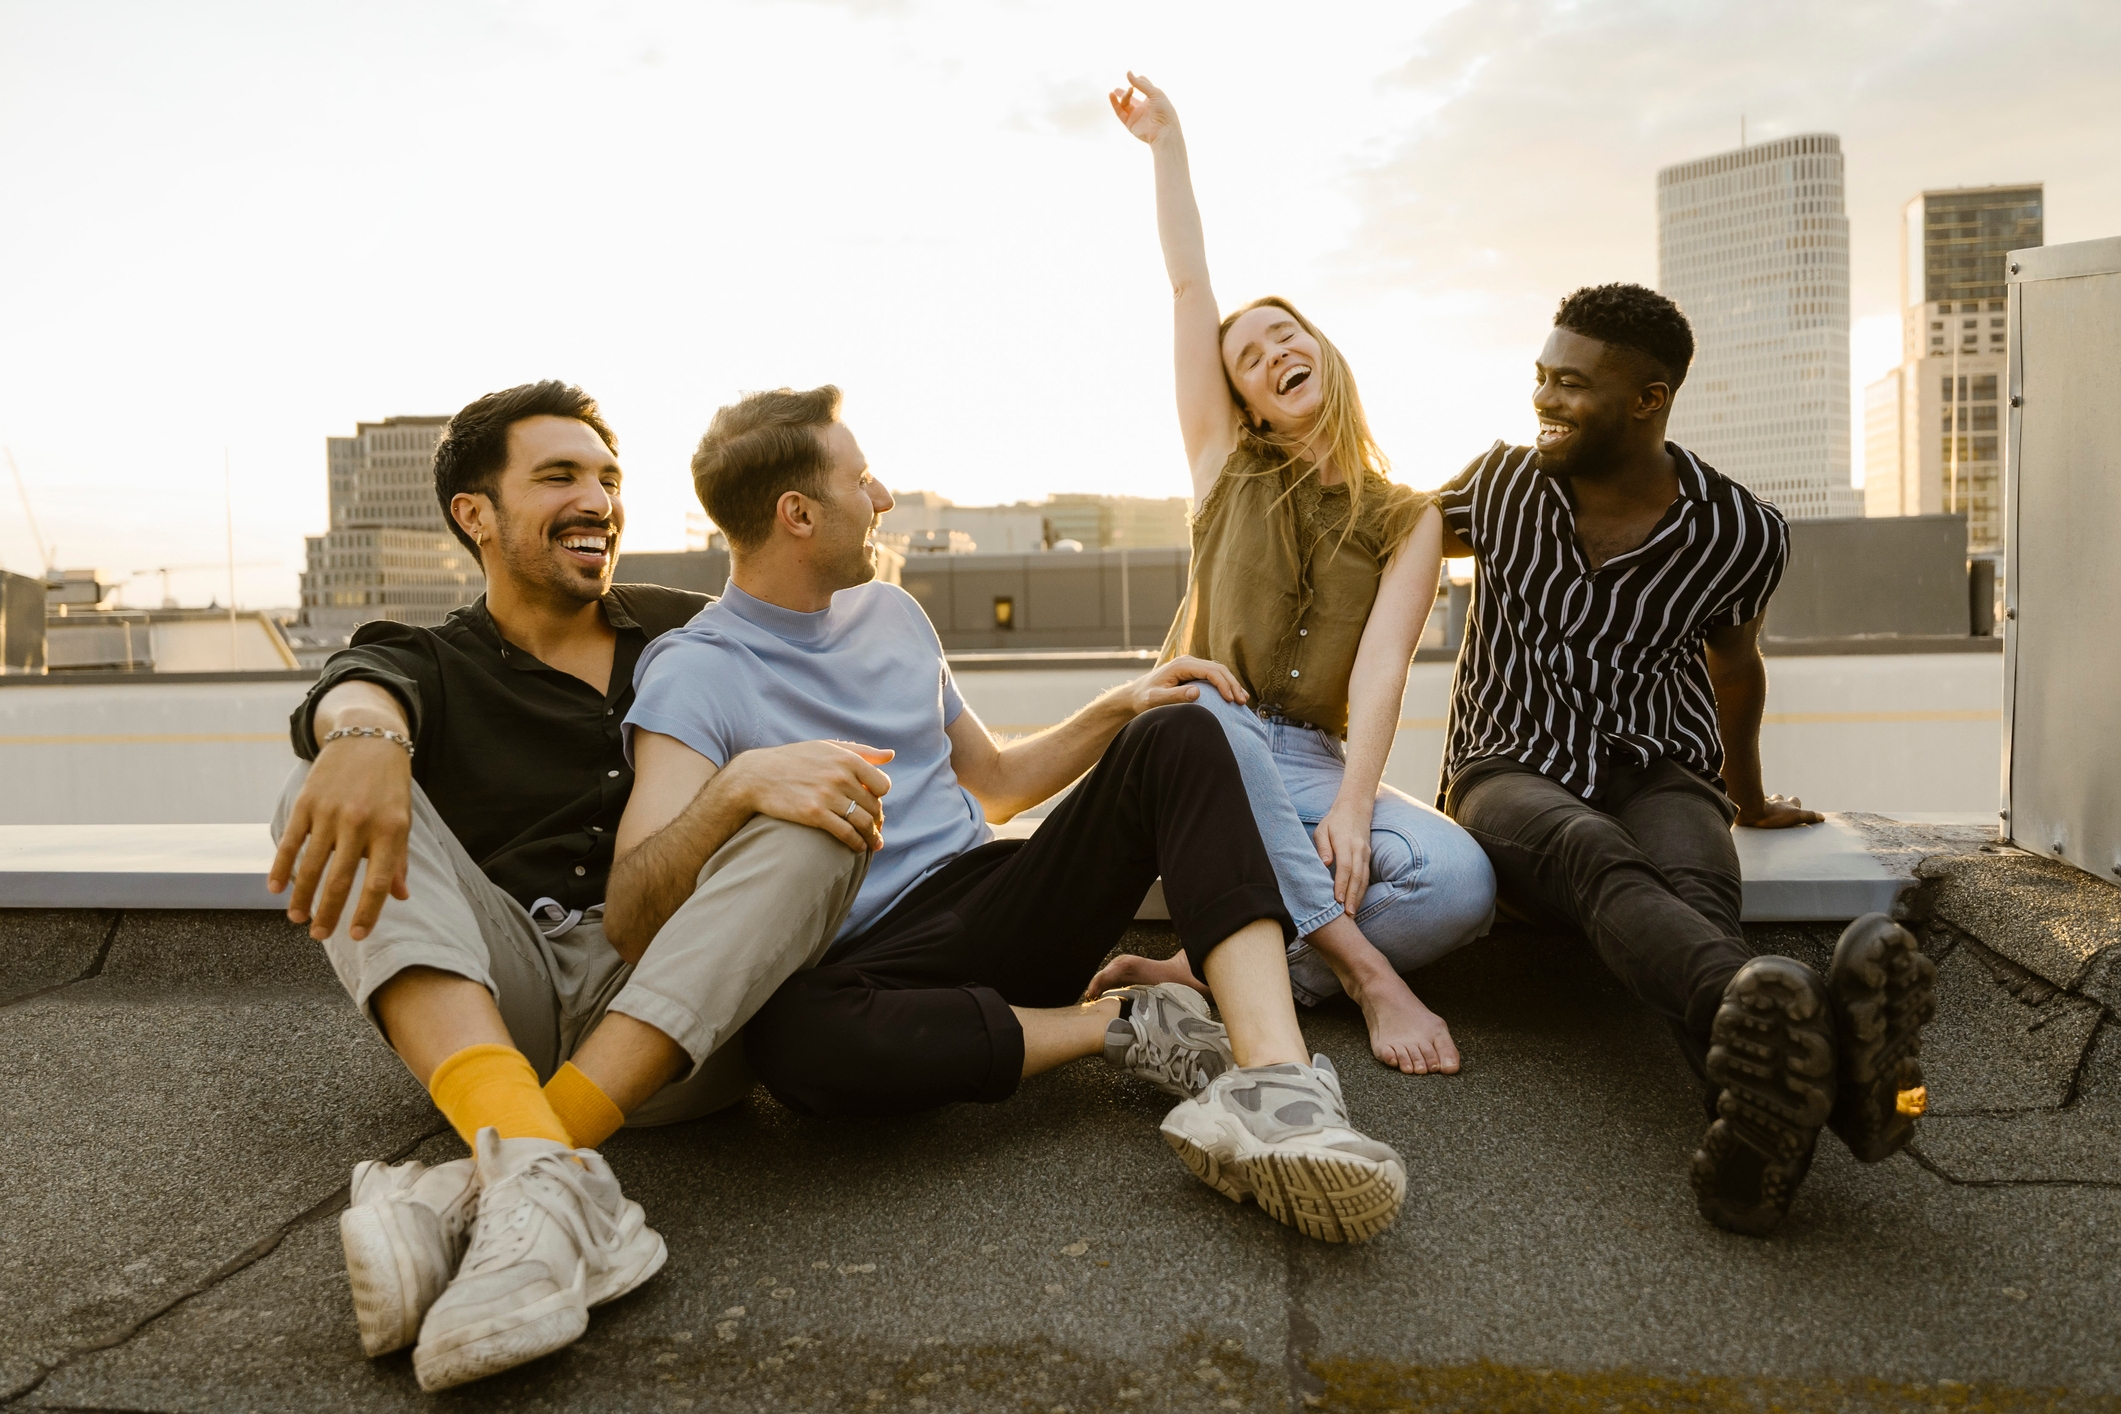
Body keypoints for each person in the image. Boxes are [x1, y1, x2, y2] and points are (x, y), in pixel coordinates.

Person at [613, 383, 1409, 1246]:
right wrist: (734, 789)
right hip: (868, 971)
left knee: (1180, 732)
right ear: (797, 514)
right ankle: (1121, 1028)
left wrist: (1123, 707)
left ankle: (1278, 1085)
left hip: (994, 898)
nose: (881, 498)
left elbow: (991, 783)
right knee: (790, 1047)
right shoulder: (693, 671)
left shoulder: (892, 612)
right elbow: (632, 912)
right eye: (863, 481)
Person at [270, 381, 901, 1390]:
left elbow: (868, 701)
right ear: (475, 513)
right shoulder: (425, 657)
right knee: (328, 784)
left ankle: (485, 1180)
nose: (599, 498)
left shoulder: (693, 634)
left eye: (609, 477)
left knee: (821, 817)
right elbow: (359, 682)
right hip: (503, 999)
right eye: (560, 475)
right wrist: (360, 735)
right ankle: (544, 1177)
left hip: (687, 1016)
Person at [1434, 284, 1938, 1236]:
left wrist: (1742, 799)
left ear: (1646, 398)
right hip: (1506, 767)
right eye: (1540, 376)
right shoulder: (1497, 486)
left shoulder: (1740, 531)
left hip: (1661, 763)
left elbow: (1734, 669)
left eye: (1570, 384)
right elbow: (1365, 556)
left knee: (1698, 894)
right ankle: (1847, 1075)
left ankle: (1753, 1154)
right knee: (1593, 855)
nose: (1543, 398)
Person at [1088, 73, 1497, 1078]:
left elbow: (1380, 675)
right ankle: (1361, 972)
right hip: (1202, 738)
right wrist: (1167, 143)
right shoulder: (1225, 470)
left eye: (1286, 337)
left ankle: (1215, 972)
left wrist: (1355, 803)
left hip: (1311, 759)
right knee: (1207, 717)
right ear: (1249, 408)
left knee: (1461, 881)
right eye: (1249, 361)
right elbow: (1192, 290)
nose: (1271, 355)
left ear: (1323, 352)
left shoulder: (1408, 518)